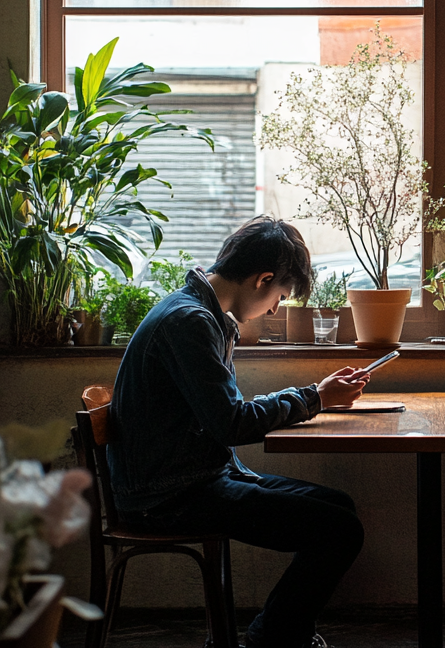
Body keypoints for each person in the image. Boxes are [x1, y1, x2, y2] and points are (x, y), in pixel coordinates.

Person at [108, 216, 368, 648]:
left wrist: (315, 396)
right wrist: (315, 397)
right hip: (169, 495)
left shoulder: (199, 314)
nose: (274, 310)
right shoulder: (189, 322)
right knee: (340, 530)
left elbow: (224, 417)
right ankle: (274, 639)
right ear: (262, 279)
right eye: (279, 296)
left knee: (337, 507)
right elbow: (231, 423)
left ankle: (282, 633)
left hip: (190, 478)